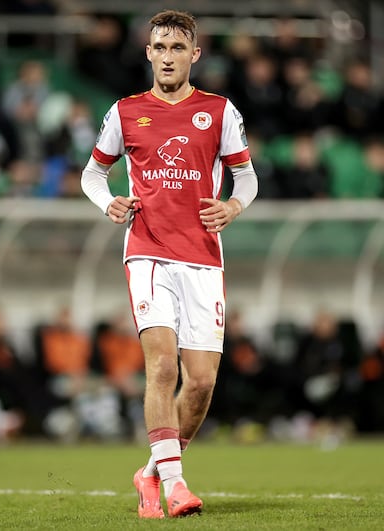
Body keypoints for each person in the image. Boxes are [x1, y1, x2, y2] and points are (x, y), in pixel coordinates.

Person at [81, 10, 258, 518]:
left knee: (200, 382)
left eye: (177, 48)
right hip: (148, 250)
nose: (167, 56)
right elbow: (93, 174)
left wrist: (233, 206)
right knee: (161, 366)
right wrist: (107, 202)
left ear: (194, 55)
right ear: (148, 53)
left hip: (203, 256)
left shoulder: (219, 111)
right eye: (159, 47)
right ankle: (176, 485)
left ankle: (152, 470)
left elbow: (246, 178)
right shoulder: (126, 111)